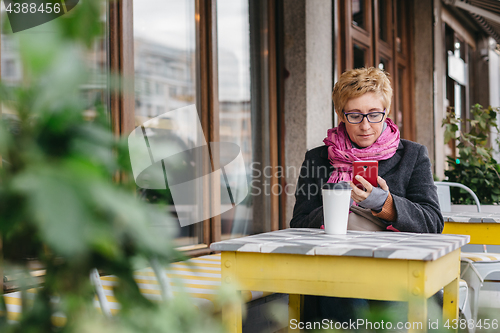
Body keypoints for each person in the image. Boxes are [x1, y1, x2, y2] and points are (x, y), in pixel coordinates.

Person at [289, 67, 443, 325]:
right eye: (355, 116)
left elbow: (432, 223)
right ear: (341, 115)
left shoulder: (412, 156)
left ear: (386, 112)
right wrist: (341, 203)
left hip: (397, 267)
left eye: (374, 115)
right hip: (335, 267)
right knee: (345, 299)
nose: (365, 126)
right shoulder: (317, 158)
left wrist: (384, 203)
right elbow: (299, 223)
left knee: (387, 304)